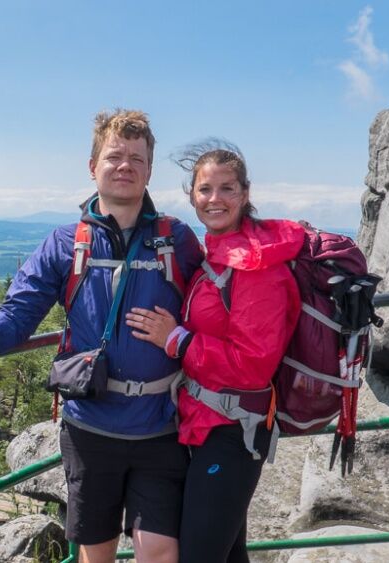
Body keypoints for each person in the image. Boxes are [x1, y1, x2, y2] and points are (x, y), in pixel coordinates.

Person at [0, 109, 202, 563]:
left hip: (159, 426)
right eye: (114, 156)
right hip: (90, 428)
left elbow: (213, 312)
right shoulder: (65, 244)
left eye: (137, 159)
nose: (125, 166)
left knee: (160, 552)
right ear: (93, 166)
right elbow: (16, 316)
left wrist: (177, 335)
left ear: (148, 172)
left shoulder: (177, 241)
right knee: (95, 553)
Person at [125, 142, 303, 563]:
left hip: (232, 431)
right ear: (192, 196)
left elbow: (253, 366)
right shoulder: (220, 255)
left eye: (227, 188)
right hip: (208, 424)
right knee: (228, 553)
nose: (215, 199)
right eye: (205, 189)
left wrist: (177, 340)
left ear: (245, 193)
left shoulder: (257, 267)